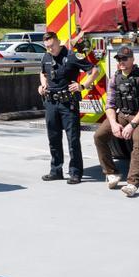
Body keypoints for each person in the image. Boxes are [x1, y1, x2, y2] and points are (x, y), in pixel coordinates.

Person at [93, 46, 139, 197]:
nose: (121, 62)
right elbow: (109, 105)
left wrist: (132, 125)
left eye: (124, 58)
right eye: (119, 59)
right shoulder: (115, 77)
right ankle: (111, 173)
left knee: (138, 140)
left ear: (132, 59)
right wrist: (114, 123)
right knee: (99, 136)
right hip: (122, 114)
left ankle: (133, 183)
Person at [38, 31, 101, 184]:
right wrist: (42, 85)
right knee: (53, 139)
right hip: (51, 103)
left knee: (72, 140)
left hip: (68, 104)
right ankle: (56, 171)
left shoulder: (72, 56)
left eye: (52, 46)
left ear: (58, 42)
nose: (50, 49)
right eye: (47, 47)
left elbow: (95, 70)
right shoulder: (46, 57)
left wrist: (82, 86)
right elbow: (42, 72)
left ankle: (75, 173)